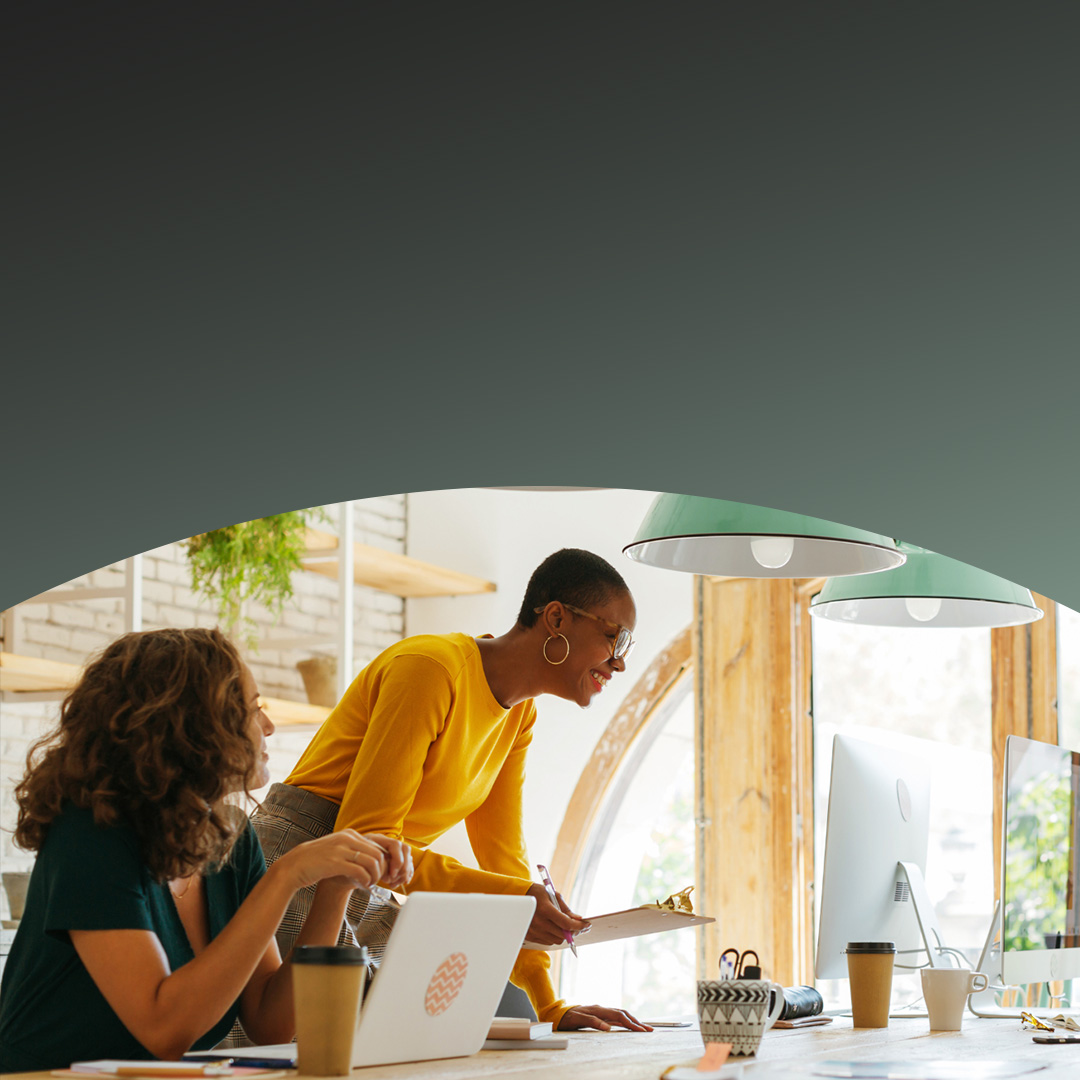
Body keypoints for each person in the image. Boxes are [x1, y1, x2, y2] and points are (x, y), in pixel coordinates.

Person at [251, 548, 651, 1032]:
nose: (620, 663)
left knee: (430, 1030)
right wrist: (515, 899)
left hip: (367, 877)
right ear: (556, 618)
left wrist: (550, 1006)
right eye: (615, 638)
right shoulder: (431, 668)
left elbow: (504, 861)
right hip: (296, 858)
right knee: (312, 1048)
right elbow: (366, 838)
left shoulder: (519, 717)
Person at [0, 628, 412, 1073]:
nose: (268, 727)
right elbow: (164, 1029)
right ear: (192, 728)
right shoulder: (91, 835)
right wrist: (286, 874)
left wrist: (334, 890)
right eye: (252, 710)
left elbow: (270, 1022)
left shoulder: (229, 838)